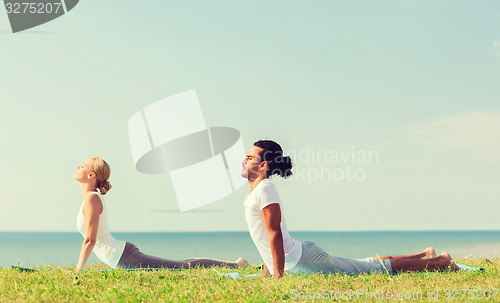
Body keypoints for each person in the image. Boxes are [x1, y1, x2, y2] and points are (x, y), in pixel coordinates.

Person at [241, 140, 460, 278]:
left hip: (301, 261)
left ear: (263, 166)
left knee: (371, 271)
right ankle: (425, 254)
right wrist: (268, 271)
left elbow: (274, 235)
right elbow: (264, 239)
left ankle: (440, 262)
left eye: (250, 157)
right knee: (363, 265)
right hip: (297, 260)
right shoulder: (257, 190)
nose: (244, 159)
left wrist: (277, 277)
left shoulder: (265, 189)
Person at [74, 157, 248, 270]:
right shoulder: (91, 198)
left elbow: (90, 240)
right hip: (121, 256)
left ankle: (236, 265)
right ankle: (234, 264)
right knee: (180, 265)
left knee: (183, 267)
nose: (77, 166)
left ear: (91, 175)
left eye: (81, 165)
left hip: (124, 258)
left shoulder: (92, 199)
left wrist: (78, 272)